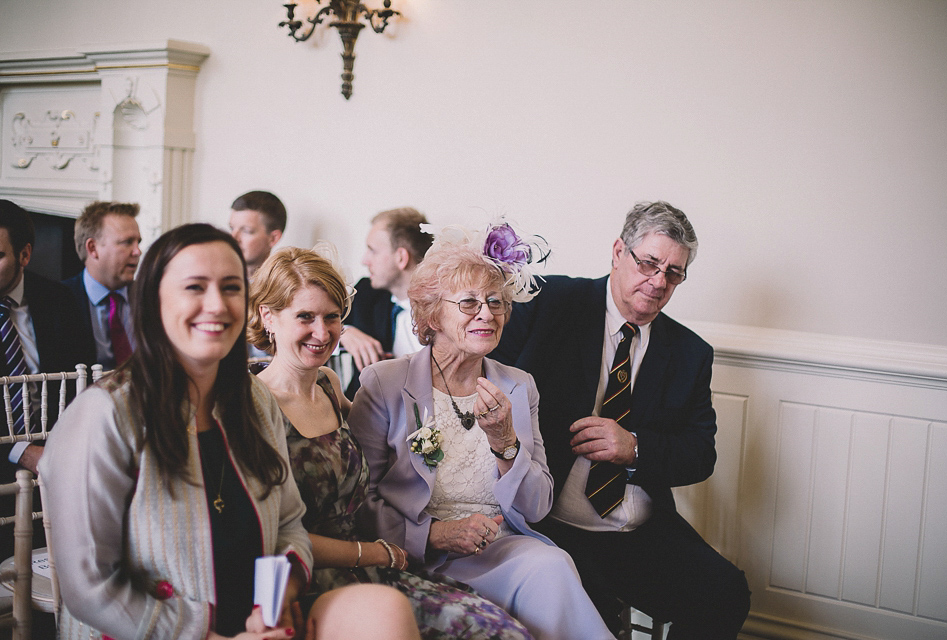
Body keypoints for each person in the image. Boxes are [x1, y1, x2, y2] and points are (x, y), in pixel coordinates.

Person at [39, 223, 418, 640]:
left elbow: (289, 526)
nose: (217, 304)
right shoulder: (103, 415)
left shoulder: (254, 401)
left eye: (232, 287)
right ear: (153, 299)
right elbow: (91, 589)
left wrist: (272, 606)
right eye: (195, 288)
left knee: (387, 614)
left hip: (255, 625)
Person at [491, 201, 751, 639]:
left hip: (639, 532)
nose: (658, 282)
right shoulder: (549, 302)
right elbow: (485, 379)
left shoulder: (690, 353)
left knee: (726, 592)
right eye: (649, 263)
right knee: (595, 619)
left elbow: (700, 455)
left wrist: (634, 447)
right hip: (550, 526)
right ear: (618, 252)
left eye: (674, 272)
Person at [249, 246, 532, 639]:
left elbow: (383, 447)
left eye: (332, 317)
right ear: (268, 317)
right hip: (306, 575)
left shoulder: (330, 386)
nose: (322, 332)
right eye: (305, 317)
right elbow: (269, 532)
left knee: (502, 631)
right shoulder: (252, 404)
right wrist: (379, 551)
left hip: (375, 565)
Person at [350, 221, 613, 640]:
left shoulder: (518, 385)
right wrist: (434, 534)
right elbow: (357, 500)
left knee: (552, 564)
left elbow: (537, 507)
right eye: (470, 302)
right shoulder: (384, 383)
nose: (487, 314)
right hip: (412, 553)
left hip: (501, 550)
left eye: (496, 302)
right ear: (433, 312)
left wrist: (505, 443)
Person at [0, 199, 84, 564]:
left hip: (59, 451)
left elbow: (83, 378)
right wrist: (25, 452)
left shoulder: (58, 299)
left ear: (25, 254)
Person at [340, 207, 432, 398]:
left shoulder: (449, 304)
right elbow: (315, 324)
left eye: (372, 251)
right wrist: (344, 332)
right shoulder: (366, 293)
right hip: (365, 414)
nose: (364, 260)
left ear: (401, 258)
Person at [62, 200, 142, 368]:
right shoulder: (59, 300)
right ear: (93, 248)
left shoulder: (150, 296)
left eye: (138, 242)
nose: (137, 251)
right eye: (127, 242)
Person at [229, 190, 287, 279]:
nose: (233, 238)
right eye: (232, 228)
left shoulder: (285, 287)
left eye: (246, 231)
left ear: (273, 238)